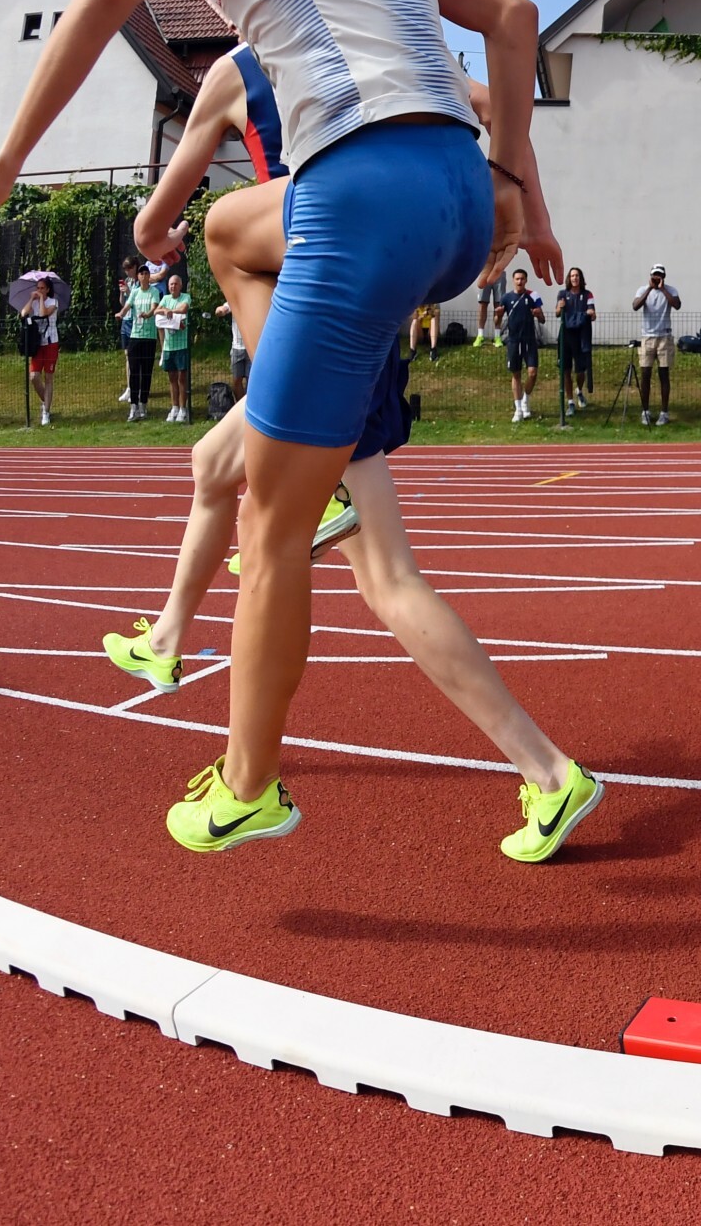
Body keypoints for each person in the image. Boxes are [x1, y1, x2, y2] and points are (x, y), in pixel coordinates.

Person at [0, 0, 538, 853]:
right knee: (229, 228)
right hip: (455, 200)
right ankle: (301, 443)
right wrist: (515, 185)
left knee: (271, 526)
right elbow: (514, 16)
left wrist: (3, 163)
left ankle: (250, 783)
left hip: (360, 199)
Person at [104, 175, 598, 861]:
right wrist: (528, 210)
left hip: (328, 353)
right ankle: (167, 639)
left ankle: (545, 771)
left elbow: (170, 215)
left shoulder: (270, 112)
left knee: (384, 581)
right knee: (213, 464)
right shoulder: (368, 127)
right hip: (348, 324)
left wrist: (152, 227)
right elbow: (492, 114)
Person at [498, 266, 545, 422]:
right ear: (513, 280)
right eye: (517, 279)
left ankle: (526, 399)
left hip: (529, 340)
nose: (519, 282)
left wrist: (538, 314)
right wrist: (498, 315)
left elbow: (542, 319)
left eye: (522, 279)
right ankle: (518, 409)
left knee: (532, 372)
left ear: (526, 280)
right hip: (513, 341)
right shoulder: (506, 298)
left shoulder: (533, 295)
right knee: (516, 374)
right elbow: (497, 322)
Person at [634, 266, 680, 425]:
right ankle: (645, 411)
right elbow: (635, 306)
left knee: (664, 374)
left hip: (664, 337)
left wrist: (663, 289)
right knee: (645, 373)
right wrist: (649, 289)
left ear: (664, 276)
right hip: (647, 336)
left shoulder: (671, 290)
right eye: (654, 275)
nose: (657, 278)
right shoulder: (642, 290)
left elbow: (677, 305)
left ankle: (664, 412)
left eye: (659, 275)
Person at [123, 258, 163, 421]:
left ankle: (143, 405)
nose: (144, 275)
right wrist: (121, 313)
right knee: (134, 372)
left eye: (146, 273)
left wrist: (148, 314)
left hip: (149, 337)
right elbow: (127, 305)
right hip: (135, 336)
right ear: (138, 277)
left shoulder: (154, 291)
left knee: (146, 372)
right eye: (141, 273)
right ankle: (133, 406)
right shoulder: (135, 292)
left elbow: (154, 307)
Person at [23, 276, 61, 426]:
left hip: (51, 342)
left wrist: (40, 300)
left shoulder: (53, 302)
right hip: (38, 344)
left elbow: (44, 313)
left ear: (48, 289)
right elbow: (23, 313)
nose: (39, 290)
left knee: (48, 377)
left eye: (42, 288)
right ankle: (46, 402)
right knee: (34, 376)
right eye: (37, 288)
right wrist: (31, 299)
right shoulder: (34, 302)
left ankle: (46, 411)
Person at [555, 267, 595, 408]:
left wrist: (591, 313)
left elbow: (593, 314)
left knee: (580, 370)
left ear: (580, 278)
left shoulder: (588, 294)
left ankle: (579, 390)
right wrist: (560, 307)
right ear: (569, 278)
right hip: (566, 335)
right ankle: (570, 401)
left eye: (577, 275)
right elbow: (557, 313)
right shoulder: (562, 294)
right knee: (566, 370)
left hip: (581, 336)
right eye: (572, 276)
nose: (574, 278)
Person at [157, 271, 194, 421]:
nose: (173, 286)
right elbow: (157, 311)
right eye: (171, 284)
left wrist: (170, 312)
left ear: (180, 285)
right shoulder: (165, 299)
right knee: (172, 378)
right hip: (168, 346)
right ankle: (174, 407)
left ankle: (183, 408)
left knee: (182, 378)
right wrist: (165, 310)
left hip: (182, 345)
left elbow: (184, 309)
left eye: (175, 284)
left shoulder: (185, 297)